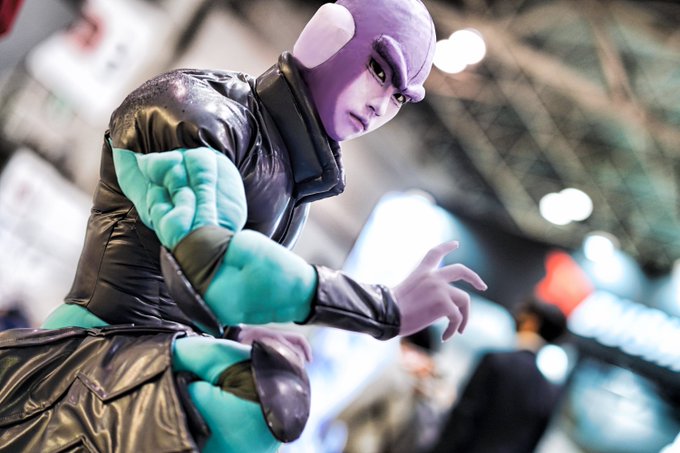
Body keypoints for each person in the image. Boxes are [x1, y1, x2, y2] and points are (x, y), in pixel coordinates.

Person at [0, 1, 487, 452]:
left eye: (400, 96)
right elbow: (215, 263)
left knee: (273, 391)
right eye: (379, 71)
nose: (382, 104)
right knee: (260, 405)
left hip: (154, 359)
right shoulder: (197, 112)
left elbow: (204, 295)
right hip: (95, 354)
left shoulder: (292, 174)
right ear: (330, 35)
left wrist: (234, 334)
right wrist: (383, 307)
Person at [427, 298, 568, 453]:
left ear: (532, 322)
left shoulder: (496, 362)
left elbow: (463, 418)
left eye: (523, 314)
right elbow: (532, 444)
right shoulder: (549, 392)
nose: (517, 317)